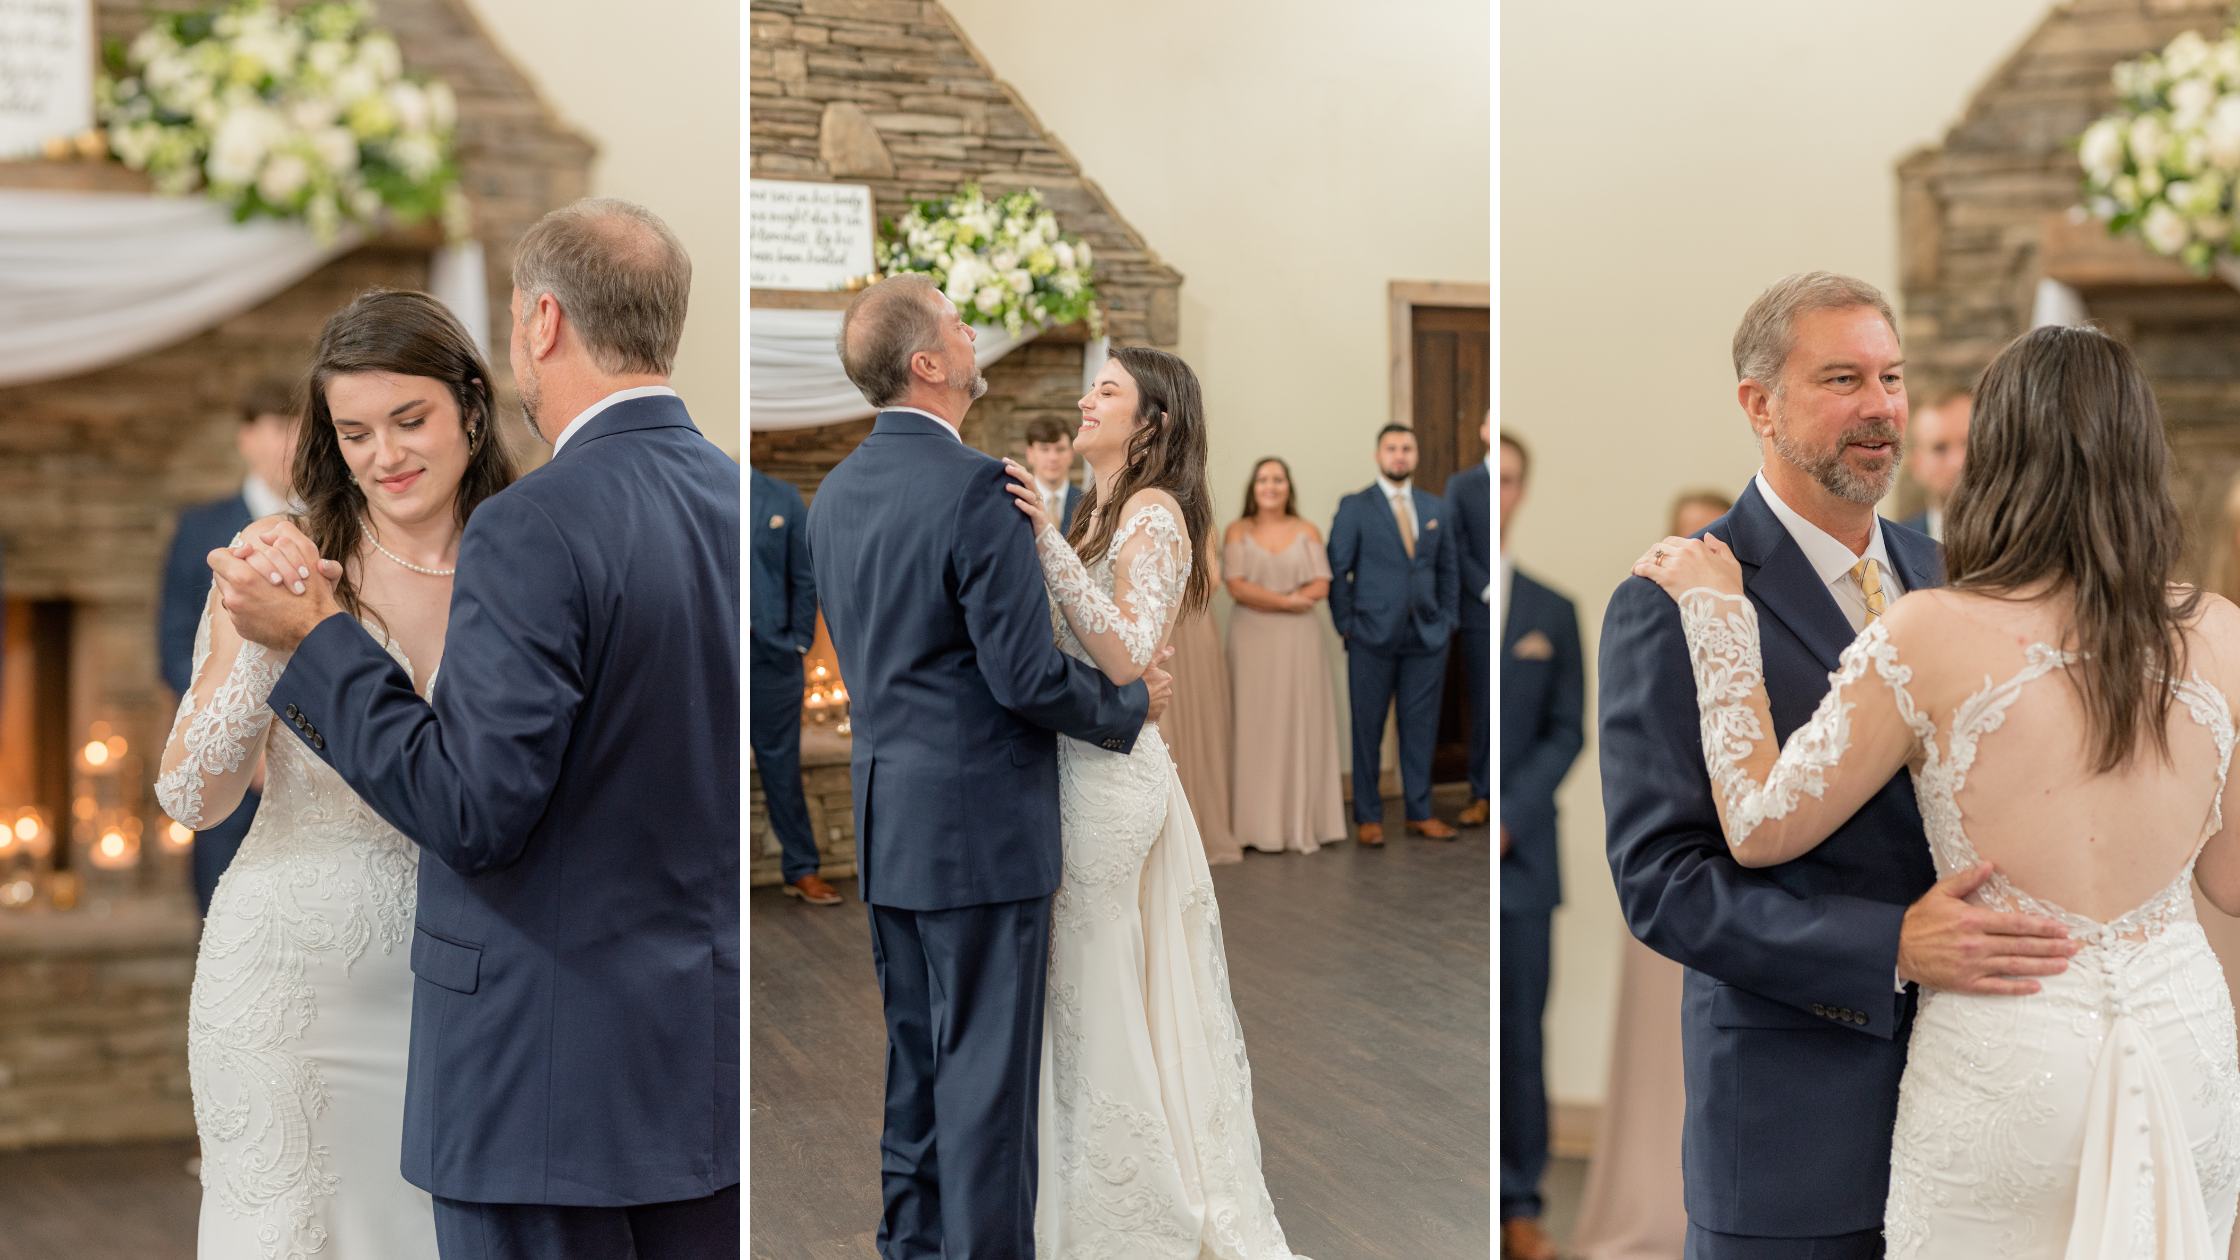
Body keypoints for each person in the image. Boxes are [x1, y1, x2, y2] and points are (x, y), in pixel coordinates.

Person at [1634, 321, 2240, 1253]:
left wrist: (1720, 618)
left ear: (1997, 457)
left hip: (2012, 1062)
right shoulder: (2223, 636)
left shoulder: (1934, 630)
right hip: (2183, 1053)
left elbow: (1755, 827)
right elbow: (2230, 884)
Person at [209, 199, 741, 1258]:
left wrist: (318, 638)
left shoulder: (533, 523)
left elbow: (472, 809)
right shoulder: (733, 495)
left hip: (537, 1077)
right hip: (694, 1065)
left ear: (539, 320)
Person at [1600, 271, 2084, 1260]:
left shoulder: (1958, 577)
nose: (1878, 408)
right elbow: (1664, 884)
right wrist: (1887, 947)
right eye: (1840, 379)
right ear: (1757, 405)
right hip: (1794, 1129)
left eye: (1890, 377)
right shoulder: (1675, 598)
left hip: (1982, 1108)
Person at [806, 273, 1160, 1260]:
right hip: (979, 837)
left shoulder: (833, 495)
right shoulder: (975, 487)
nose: (973, 333)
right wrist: (1127, 705)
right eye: (960, 324)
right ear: (928, 364)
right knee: (987, 1089)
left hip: (889, 828)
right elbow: (1023, 678)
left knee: (915, 1068)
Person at [157, 291, 516, 1257]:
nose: (384, 456)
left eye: (410, 421)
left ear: (470, 412)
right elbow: (193, 798)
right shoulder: (293, 559)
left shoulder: (528, 558)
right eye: (354, 432)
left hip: (463, 990)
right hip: (283, 988)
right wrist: (260, 632)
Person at [1002, 345, 1307, 1256]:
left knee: (1100, 983)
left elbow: (1132, 654)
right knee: (1083, 989)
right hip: (1075, 761)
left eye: (1108, 391)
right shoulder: (1095, 506)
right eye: (1090, 386)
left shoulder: (1154, 511)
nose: (1086, 402)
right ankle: (1074, 1190)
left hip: (1110, 784)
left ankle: (1125, 1216)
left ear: (1152, 423)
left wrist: (1045, 543)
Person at [1566, 487, 1736, 1260]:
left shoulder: (1753, 620)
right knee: (1655, 1055)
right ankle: (1649, 1204)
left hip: (1746, 870)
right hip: (1675, 871)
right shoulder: (1643, 618)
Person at [159, 374, 300, 914]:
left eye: (303, 429)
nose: (292, 443)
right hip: (228, 768)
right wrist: (243, 739)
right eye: (279, 428)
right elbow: (173, 643)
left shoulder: (334, 526)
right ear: (246, 438)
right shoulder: (200, 529)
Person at [1494, 427, 1585, 1260]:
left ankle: (1520, 1203)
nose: (1499, 493)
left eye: (1513, 479)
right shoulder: (1448, 601)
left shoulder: (1553, 612)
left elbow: (1566, 733)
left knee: (1522, 1035)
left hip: (1522, 864)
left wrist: (1510, 818)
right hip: (1449, 854)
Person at [1328, 424, 1461, 845]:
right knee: (1367, 728)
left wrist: (1448, 620)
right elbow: (1337, 569)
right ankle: (1368, 816)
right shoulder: (1355, 506)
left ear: (1416, 455)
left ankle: (1419, 812)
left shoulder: (1434, 506)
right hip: (1371, 633)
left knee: (1421, 727)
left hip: (1427, 635)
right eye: (1391, 448)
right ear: (1378, 455)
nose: (1399, 455)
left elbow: (1448, 570)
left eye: (1407, 447)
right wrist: (1347, 624)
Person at [1224, 456, 1346, 854]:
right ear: (1252, 487)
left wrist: (1287, 602)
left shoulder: (1307, 529)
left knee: (1298, 723)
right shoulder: (1236, 530)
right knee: (1255, 727)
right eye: (1263, 479)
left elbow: (1322, 584)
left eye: (1278, 479)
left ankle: (1301, 823)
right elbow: (1237, 586)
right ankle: (1254, 826)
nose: (1271, 485)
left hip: (1299, 642)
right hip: (1251, 640)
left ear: (1288, 486)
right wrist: (1288, 600)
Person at [750, 466, 840, 905]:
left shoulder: (783, 497)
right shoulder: (705, 488)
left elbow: (805, 576)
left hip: (774, 659)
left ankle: (801, 869)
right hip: (712, 655)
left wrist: (800, 642)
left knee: (781, 768)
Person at [1160, 533, 1241, 864]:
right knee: (1166, 728)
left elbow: (1211, 580)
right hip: (1156, 629)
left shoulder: (1200, 521)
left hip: (1192, 625)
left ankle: (1201, 827)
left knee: (1200, 726)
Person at [1447, 411, 1493, 829]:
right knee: (1482, 706)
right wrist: (1487, 588)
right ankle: (1481, 794)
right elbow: (1455, 546)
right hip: (1480, 611)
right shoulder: (1462, 485)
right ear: (1482, 429)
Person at [1899, 389, 1969, 540]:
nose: (1959, 461)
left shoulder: (2022, 535)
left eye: (1968, 442)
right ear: (1916, 463)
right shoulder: (1896, 546)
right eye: (1940, 449)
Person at [1021, 415, 1083, 531]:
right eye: (1044, 449)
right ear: (1030, 454)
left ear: (1071, 454)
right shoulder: (1018, 503)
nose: (1053, 457)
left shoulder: (1086, 505)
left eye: (1060, 449)